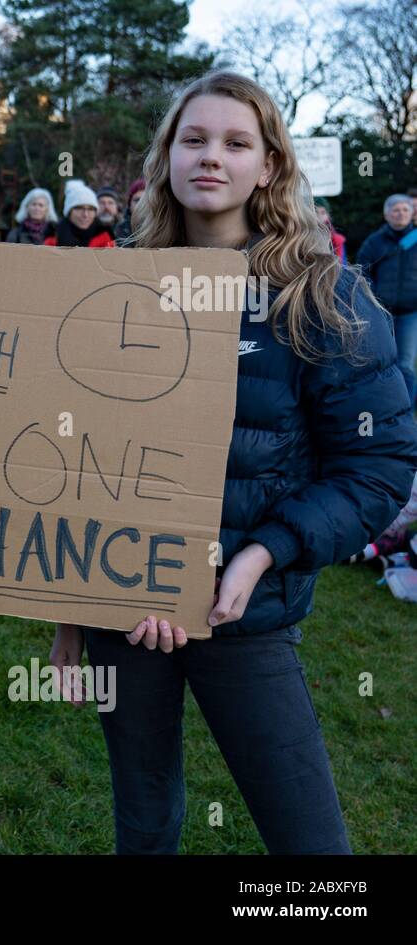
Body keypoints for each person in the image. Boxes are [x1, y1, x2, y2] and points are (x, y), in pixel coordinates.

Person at [50, 71, 417, 855]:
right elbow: (77, 451)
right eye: (194, 138)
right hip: (126, 607)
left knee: (311, 845)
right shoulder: (117, 290)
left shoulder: (326, 297)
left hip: (244, 616)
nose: (211, 157)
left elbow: (379, 467)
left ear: (270, 165)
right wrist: (71, 617)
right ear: (166, 160)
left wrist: (263, 551)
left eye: (235, 142)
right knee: (143, 821)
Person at [356, 193, 417, 408]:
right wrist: (372, 299)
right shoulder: (374, 242)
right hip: (381, 313)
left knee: (406, 364)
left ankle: (406, 411)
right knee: (380, 362)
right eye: (396, 210)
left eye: (405, 210)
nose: (400, 214)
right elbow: (362, 274)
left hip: (411, 314)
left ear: (412, 213)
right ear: (386, 214)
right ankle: (384, 407)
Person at [46, 179, 115, 247]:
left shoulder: (104, 235)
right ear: (69, 212)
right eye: (79, 208)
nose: (85, 214)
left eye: (90, 209)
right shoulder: (54, 234)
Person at [314, 197, 346, 263]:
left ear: (328, 215)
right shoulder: (303, 236)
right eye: (316, 212)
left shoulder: (336, 240)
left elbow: (342, 265)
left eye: (323, 213)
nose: (319, 216)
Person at [115, 178, 145, 242]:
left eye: (145, 200)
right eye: (137, 200)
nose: (141, 205)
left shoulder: (162, 230)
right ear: (129, 204)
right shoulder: (118, 231)